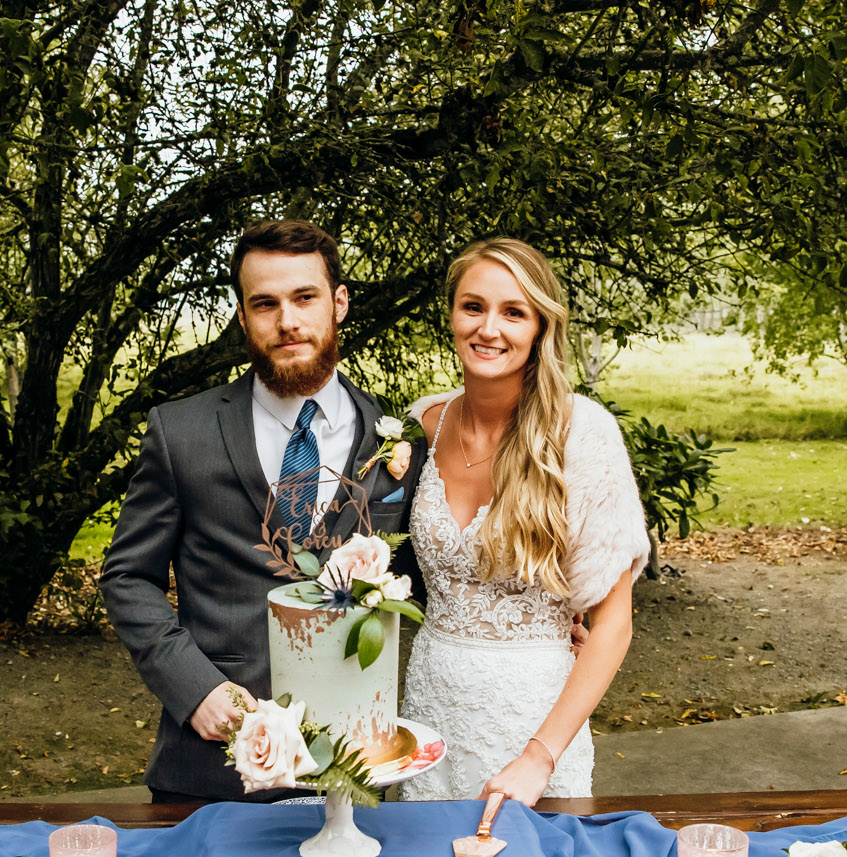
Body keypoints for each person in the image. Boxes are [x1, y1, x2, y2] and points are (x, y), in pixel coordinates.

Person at [101, 220, 417, 804]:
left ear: (339, 303)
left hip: (355, 774)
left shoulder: (396, 442)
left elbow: (422, 578)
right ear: (243, 316)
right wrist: (195, 689)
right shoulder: (181, 432)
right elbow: (127, 576)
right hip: (213, 770)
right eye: (265, 304)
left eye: (305, 298)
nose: (288, 321)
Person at [397, 238, 650, 804]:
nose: (490, 328)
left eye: (513, 312)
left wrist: (540, 756)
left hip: (534, 723)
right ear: (453, 315)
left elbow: (613, 624)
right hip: (429, 708)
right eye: (473, 307)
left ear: (541, 326)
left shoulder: (583, 434)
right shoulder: (423, 424)